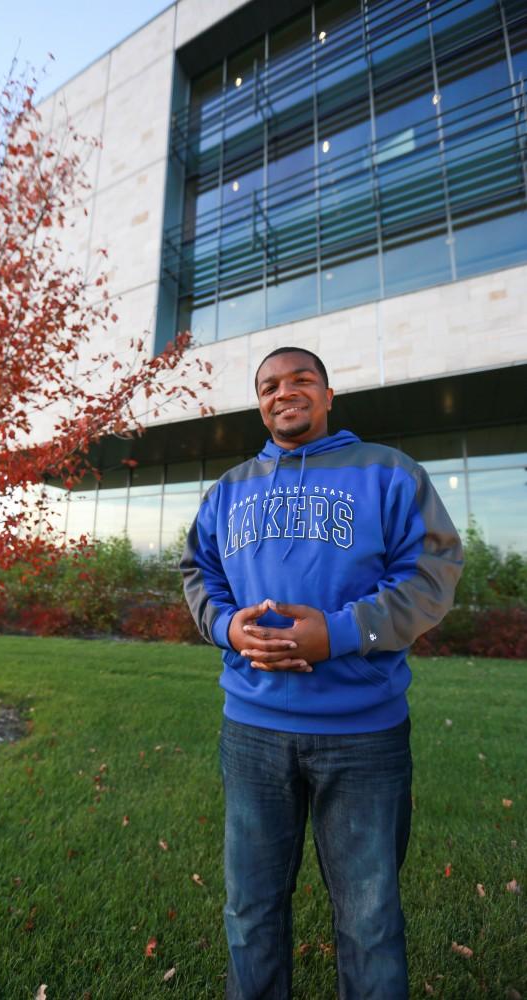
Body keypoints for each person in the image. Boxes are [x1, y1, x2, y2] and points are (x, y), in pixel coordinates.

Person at [180, 347, 463, 1000]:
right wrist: (225, 627)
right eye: (269, 385)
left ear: (328, 394)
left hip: (363, 736)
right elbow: (198, 571)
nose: (285, 392)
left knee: (368, 922)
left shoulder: (388, 473)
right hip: (251, 731)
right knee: (250, 911)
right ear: (259, 402)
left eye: (300, 379)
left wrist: (336, 633)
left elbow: (430, 574)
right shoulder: (229, 488)